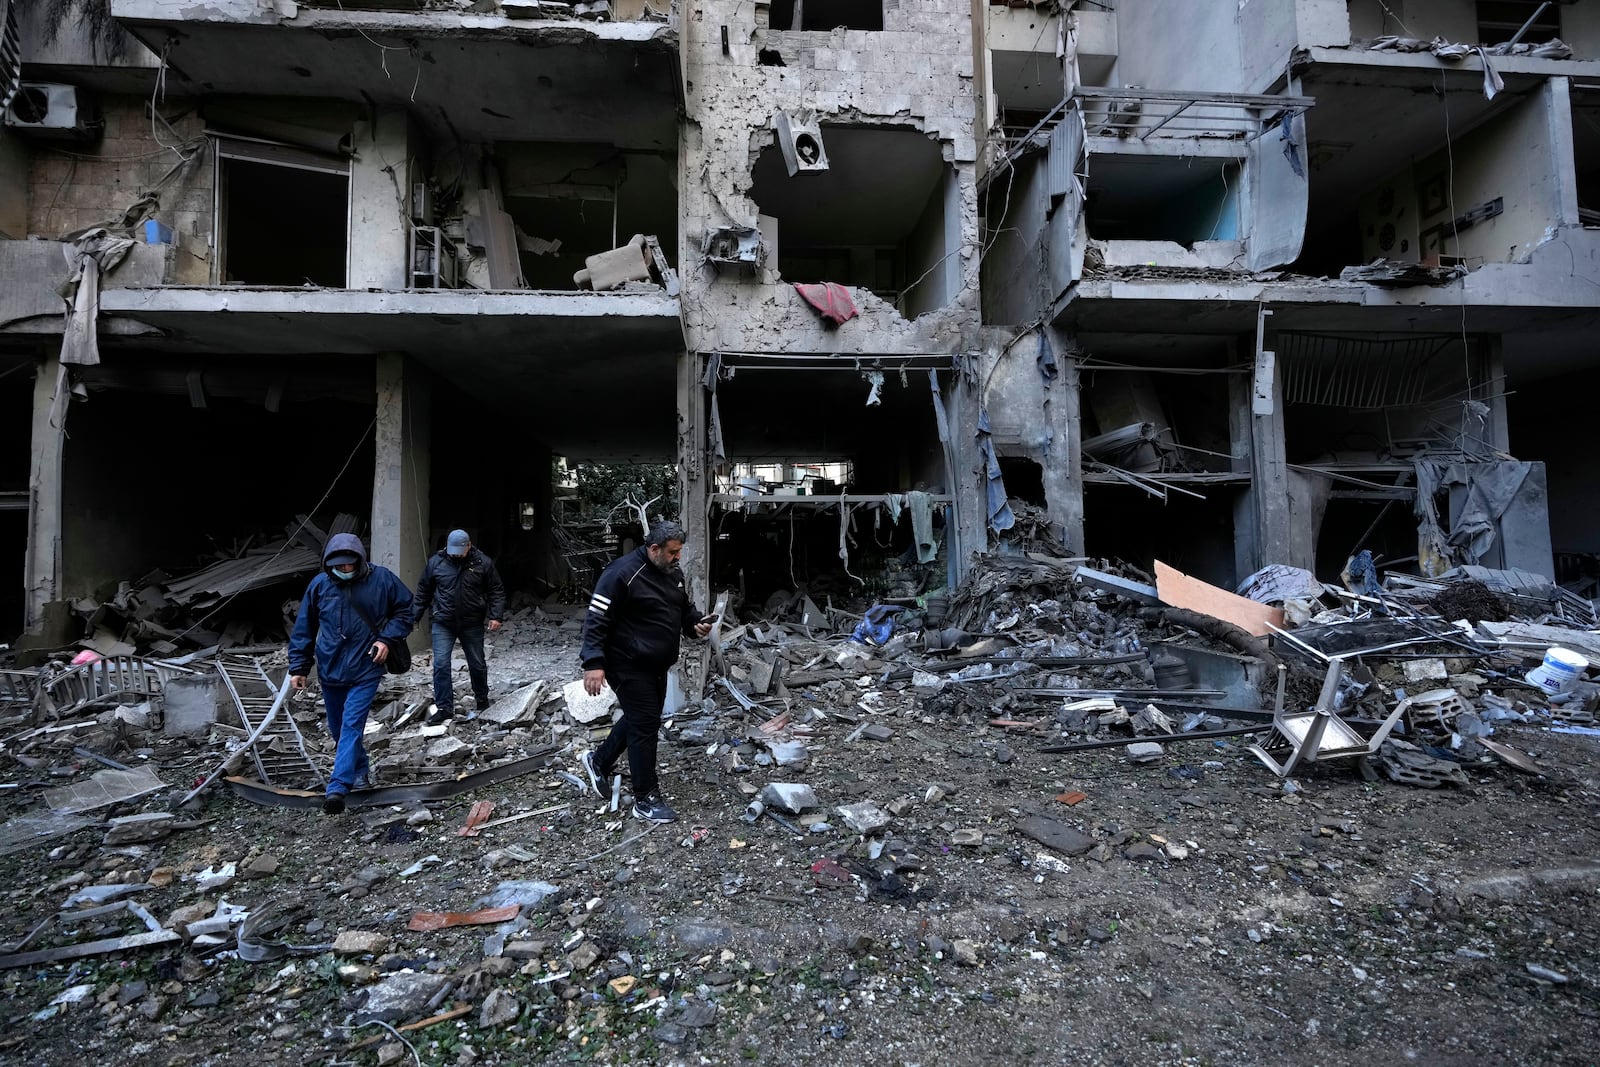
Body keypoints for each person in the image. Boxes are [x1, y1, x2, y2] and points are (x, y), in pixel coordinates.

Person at [578, 521, 714, 824]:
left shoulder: (672, 574)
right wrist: (593, 663)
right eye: (673, 552)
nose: (677, 557)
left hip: (656, 663)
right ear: (654, 549)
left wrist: (695, 624)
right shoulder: (620, 574)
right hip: (625, 662)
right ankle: (645, 798)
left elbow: (682, 610)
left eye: (679, 552)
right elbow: (596, 620)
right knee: (645, 725)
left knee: (643, 717)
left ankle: (598, 761)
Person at [287, 533, 413, 815]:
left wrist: (386, 639)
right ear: (328, 564)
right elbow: (304, 627)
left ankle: (338, 787)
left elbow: (406, 609)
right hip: (330, 668)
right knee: (337, 728)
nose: (344, 570)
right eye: (338, 566)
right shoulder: (320, 585)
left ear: (359, 560)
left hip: (367, 666)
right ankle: (360, 769)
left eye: (349, 565)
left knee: (352, 726)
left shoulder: (382, 580)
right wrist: (299, 667)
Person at [413, 529, 506, 725]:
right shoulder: (436, 563)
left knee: (477, 664)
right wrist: (414, 617)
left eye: (459, 551)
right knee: (440, 665)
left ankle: (482, 702)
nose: (455, 555)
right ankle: (444, 708)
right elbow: (423, 592)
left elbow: (496, 590)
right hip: (443, 622)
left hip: (471, 623)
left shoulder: (482, 563)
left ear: (469, 546)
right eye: (452, 550)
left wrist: (495, 615)